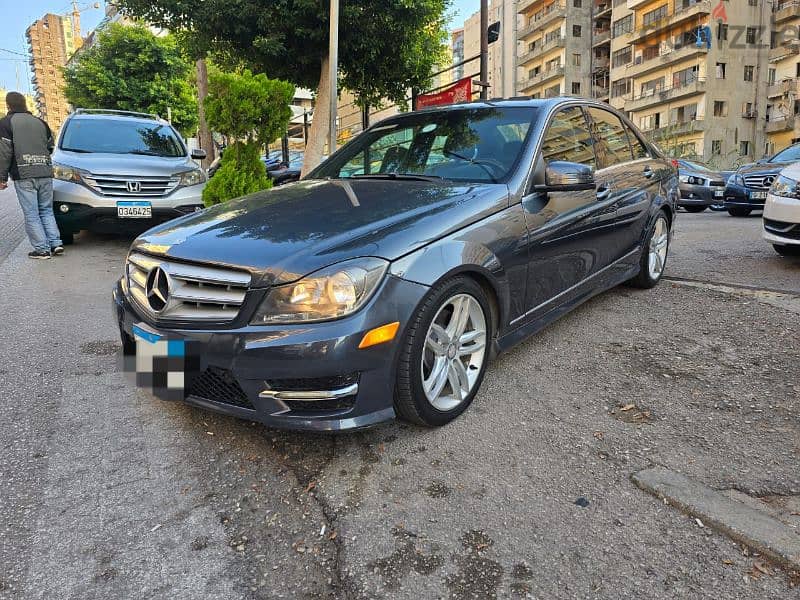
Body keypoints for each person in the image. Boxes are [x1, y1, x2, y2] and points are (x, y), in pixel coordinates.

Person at [0, 91, 63, 259]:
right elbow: (50, 147)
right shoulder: (41, 122)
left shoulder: (6, 123)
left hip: (24, 173)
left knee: (32, 213)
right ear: (25, 104)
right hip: (44, 171)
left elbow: (4, 152)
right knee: (47, 210)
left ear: (8, 105)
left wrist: (2, 177)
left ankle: (42, 249)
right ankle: (55, 243)